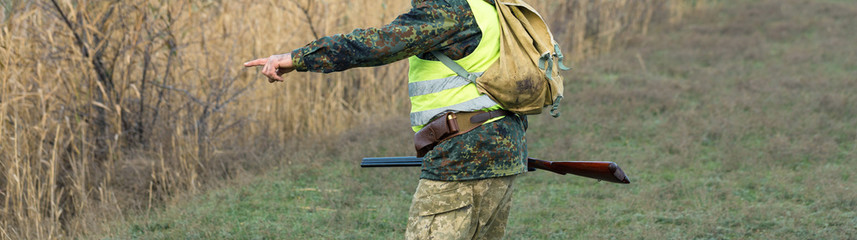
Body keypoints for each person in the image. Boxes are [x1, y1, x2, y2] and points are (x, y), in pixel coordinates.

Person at [244, 0, 528, 239]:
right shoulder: (486, 6)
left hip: (463, 152)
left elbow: (375, 44)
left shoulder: (446, 8)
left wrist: (298, 58)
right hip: (504, 150)